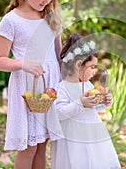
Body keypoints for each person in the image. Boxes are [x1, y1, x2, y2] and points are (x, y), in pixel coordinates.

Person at [0, 0, 64, 168]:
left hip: (50, 87)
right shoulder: (11, 21)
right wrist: (23, 63)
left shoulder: (50, 16)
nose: (47, 0)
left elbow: (58, 56)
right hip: (28, 88)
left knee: (42, 144)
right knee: (29, 147)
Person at [51, 33, 121, 169]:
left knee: (95, 161)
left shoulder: (88, 85)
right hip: (72, 137)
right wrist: (80, 103)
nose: (94, 71)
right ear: (78, 65)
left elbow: (93, 106)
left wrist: (104, 102)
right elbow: (59, 113)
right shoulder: (62, 87)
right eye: (92, 67)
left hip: (91, 132)